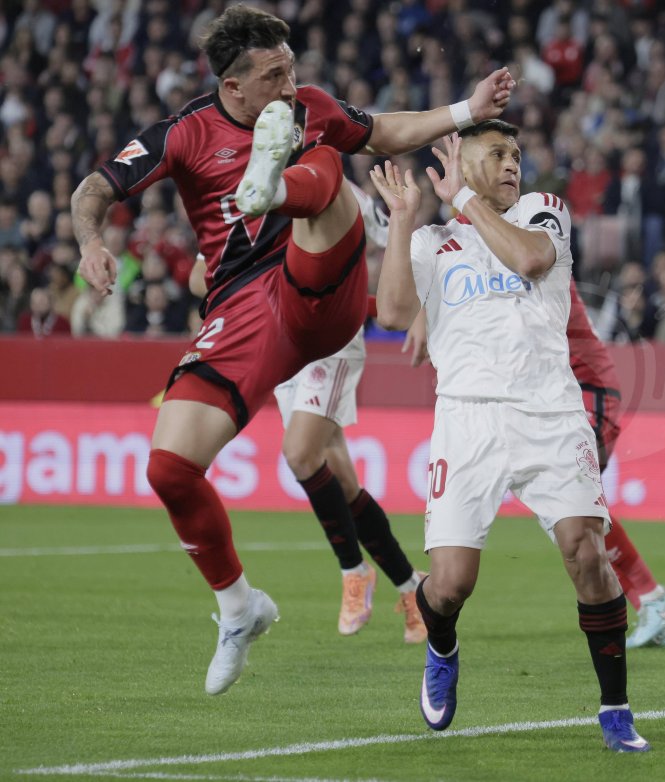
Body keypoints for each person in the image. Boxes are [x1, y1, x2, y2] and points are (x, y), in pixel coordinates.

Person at [71, 4, 514, 695]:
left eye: (291, 68)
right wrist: (91, 242)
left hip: (316, 291)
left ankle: (273, 185)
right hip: (241, 311)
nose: (289, 84)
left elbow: (386, 130)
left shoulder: (309, 108)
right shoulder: (185, 132)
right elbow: (95, 187)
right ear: (232, 85)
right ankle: (239, 607)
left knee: (329, 161)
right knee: (168, 469)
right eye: (274, 75)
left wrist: (465, 109)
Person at [368, 121, 649, 752]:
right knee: (449, 585)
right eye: (496, 154)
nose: (512, 163)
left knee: (587, 555)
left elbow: (528, 260)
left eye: (516, 154)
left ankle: (616, 709)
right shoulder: (433, 242)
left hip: (551, 413)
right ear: (463, 164)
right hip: (466, 421)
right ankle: (442, 647)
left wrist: (463, 200)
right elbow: (388, 313)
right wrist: (405, 220)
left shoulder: (543, 213)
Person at [185, 187, 428, 643]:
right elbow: (199, 275)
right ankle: (412, 587)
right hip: (278, 342)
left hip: (328, 338)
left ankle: (354, 571)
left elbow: (394, 236)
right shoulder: (235, 194)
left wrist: (419, 309)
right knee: (339, 477)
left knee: (299, 453)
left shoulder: (332, 185)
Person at [403, 277, 665, 649]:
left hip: (580, 387)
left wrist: (422, 308)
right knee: (578, 512)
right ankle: (651, 597)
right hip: (545, 393)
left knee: (579, 506)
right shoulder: (489, 244)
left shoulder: (530, 241)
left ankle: (652, 599)